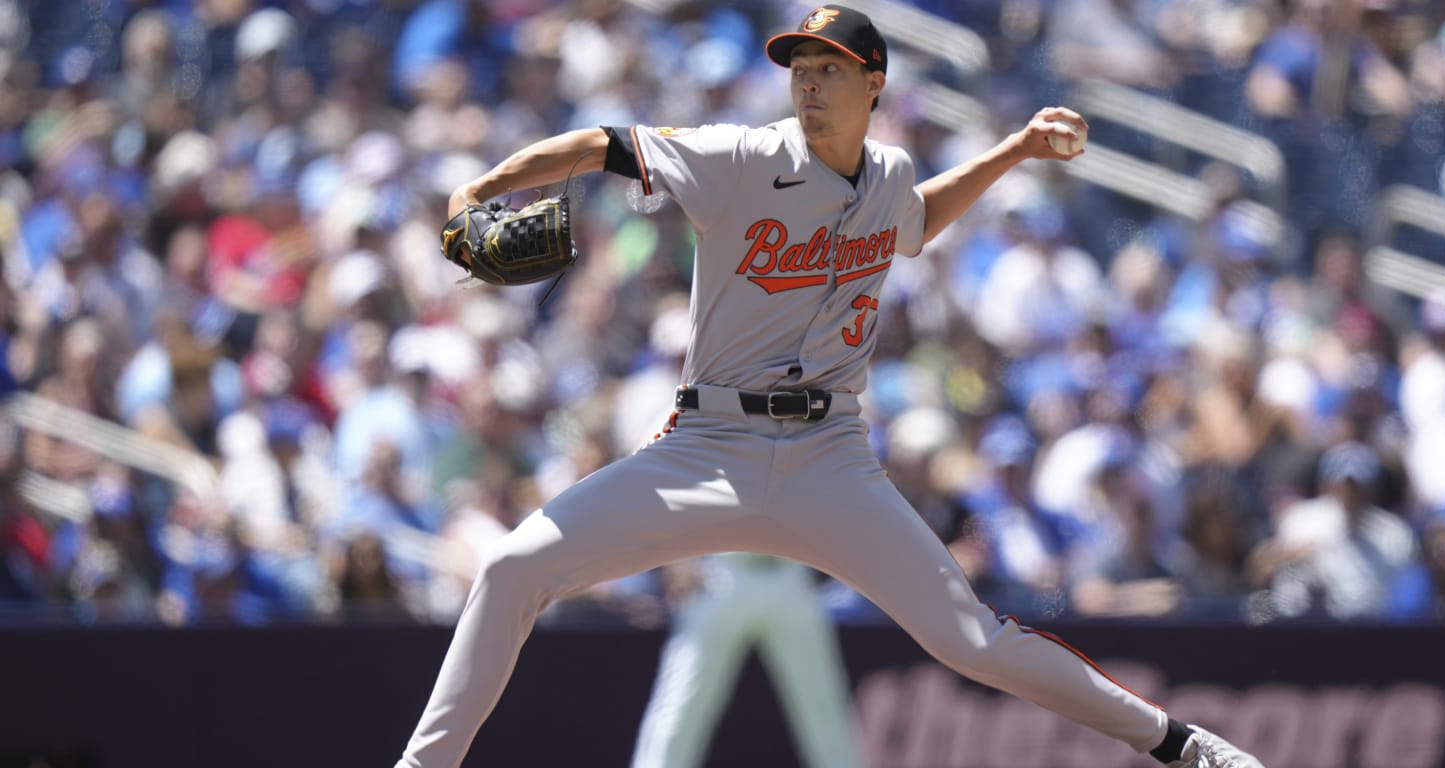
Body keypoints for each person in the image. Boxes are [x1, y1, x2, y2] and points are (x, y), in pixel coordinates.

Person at [395, 6, 1264, 767]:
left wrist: (1015, 149)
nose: (806, 86)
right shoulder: (739, 155)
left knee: (972, 641)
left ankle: (1180, 744)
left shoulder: (886, 177)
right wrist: (483, 184)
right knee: (512, 566)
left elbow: (917, 218)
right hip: (710, 446)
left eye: (826, 71)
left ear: (872, 82)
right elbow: (605, 144)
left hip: (829, 457)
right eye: (799, 72)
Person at [629, 554, 863, 768]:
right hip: (722, 574)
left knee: (824, 704)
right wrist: (678, 562)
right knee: (681, 701)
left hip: (789, 575)